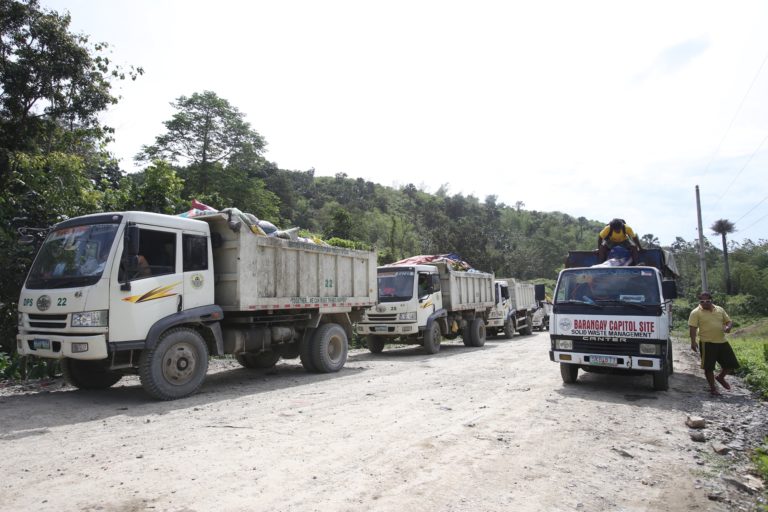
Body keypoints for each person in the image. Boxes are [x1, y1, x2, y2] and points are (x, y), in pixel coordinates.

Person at [688, 291, 739, 395]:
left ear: (711, 300)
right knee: (708, 367)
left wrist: (728, 327)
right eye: (702, 301)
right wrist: (693, 342)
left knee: (731, 364)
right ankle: (713, 389)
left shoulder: (720, 309)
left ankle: (720, 377)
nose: (705, 303)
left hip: (722, 342)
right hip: (707, 343)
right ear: (699, 301)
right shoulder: (695, 312)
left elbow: (728, 321)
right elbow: (692, 328)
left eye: (707, 301)